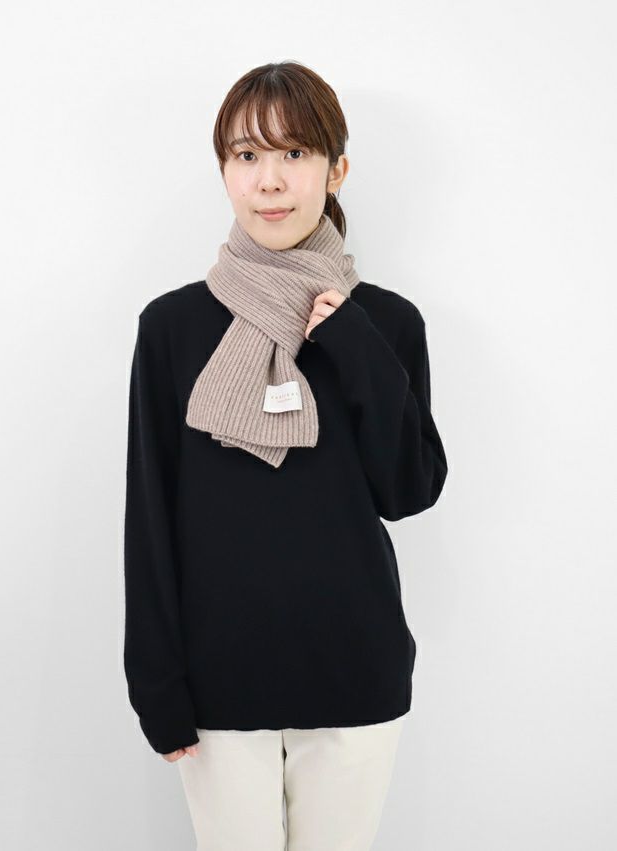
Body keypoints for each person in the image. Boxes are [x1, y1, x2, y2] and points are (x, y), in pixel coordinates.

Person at [123, 60, 448, 851]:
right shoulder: (172, 328)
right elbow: (148, 517)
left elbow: (406, 490)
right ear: (224, 171)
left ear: (335, 170)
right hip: (216, 677)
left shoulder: (386, 324)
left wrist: (353, 345)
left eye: (294, 153)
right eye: (246, 155)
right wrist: (156, 681)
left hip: (353, 668)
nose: (268, 180)